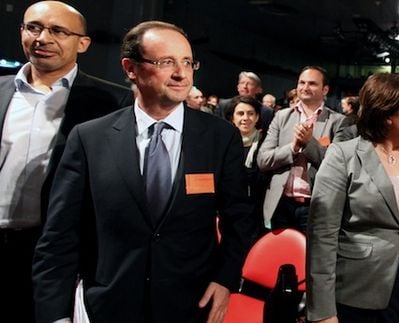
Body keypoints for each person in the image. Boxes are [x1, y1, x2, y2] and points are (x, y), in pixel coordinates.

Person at [32, 21, 255, 323]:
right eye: (166, 62)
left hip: (191, 303)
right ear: (131, 68)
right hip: (109, 303)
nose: (181, 73)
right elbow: (60, 235)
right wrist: (55, 315)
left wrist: (226, 278)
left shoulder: (220, 137)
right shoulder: (90, 138)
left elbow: (239, 218)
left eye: (187, 62)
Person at [0, 2, 132, 322]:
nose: (43, 37)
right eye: (33, 27)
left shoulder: (111, 103)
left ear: (83, 43)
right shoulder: (2, 90)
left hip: (53, 254)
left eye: (58, 31)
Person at [307, 73, 399, 323]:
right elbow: (322, 235)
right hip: (357, 284)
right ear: (388, 116)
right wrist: (322, 310)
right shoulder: (343, 155)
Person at [257, 66, 344, 232]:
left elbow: (337, 165)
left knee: (312, 257)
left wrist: (309, 143)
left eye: (312, 83)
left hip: (316, 206)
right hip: (280, 204)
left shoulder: (337, 122)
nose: (305, 87)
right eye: (301, 82)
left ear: (325, 89)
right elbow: (263, 159)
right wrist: (293, 148)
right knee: (281, 257)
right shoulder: (282, 116)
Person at [225, 95, 268, 234]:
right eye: (240, 113)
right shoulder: (224, 144)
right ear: (232, 118)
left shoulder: (266, 144)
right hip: (229, 212)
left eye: (250, 113)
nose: (245, 118)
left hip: (258, 211)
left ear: (257, 117)